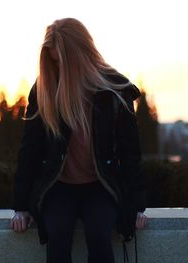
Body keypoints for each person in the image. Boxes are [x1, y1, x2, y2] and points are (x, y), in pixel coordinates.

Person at [10, 17, 148, 263]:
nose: (59, 68)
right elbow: (29, 150)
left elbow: (130, 152)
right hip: (58, 186)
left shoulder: (114, 90)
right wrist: (20, 207)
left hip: (100, 185)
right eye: (54, 62)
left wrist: (138, 206)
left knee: (99, 237)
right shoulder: (43, 91)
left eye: (63, 61)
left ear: (81, 53)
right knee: (58, 237)